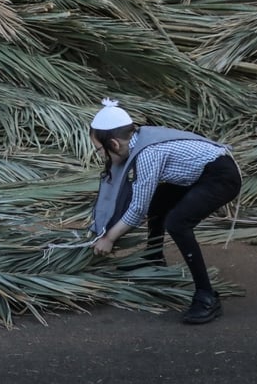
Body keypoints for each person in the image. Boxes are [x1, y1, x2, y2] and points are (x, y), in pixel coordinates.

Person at [88, 98, 242, 324]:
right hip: (199, 174)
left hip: (220, 177)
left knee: (178, 223)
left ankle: (206, 296)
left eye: (99, 150)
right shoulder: (137, 139)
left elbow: (138, 208)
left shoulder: (147, 154)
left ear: (113, 144)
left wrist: (109, 238)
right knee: (158, 203)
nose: (100, 155)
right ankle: (154, 258)